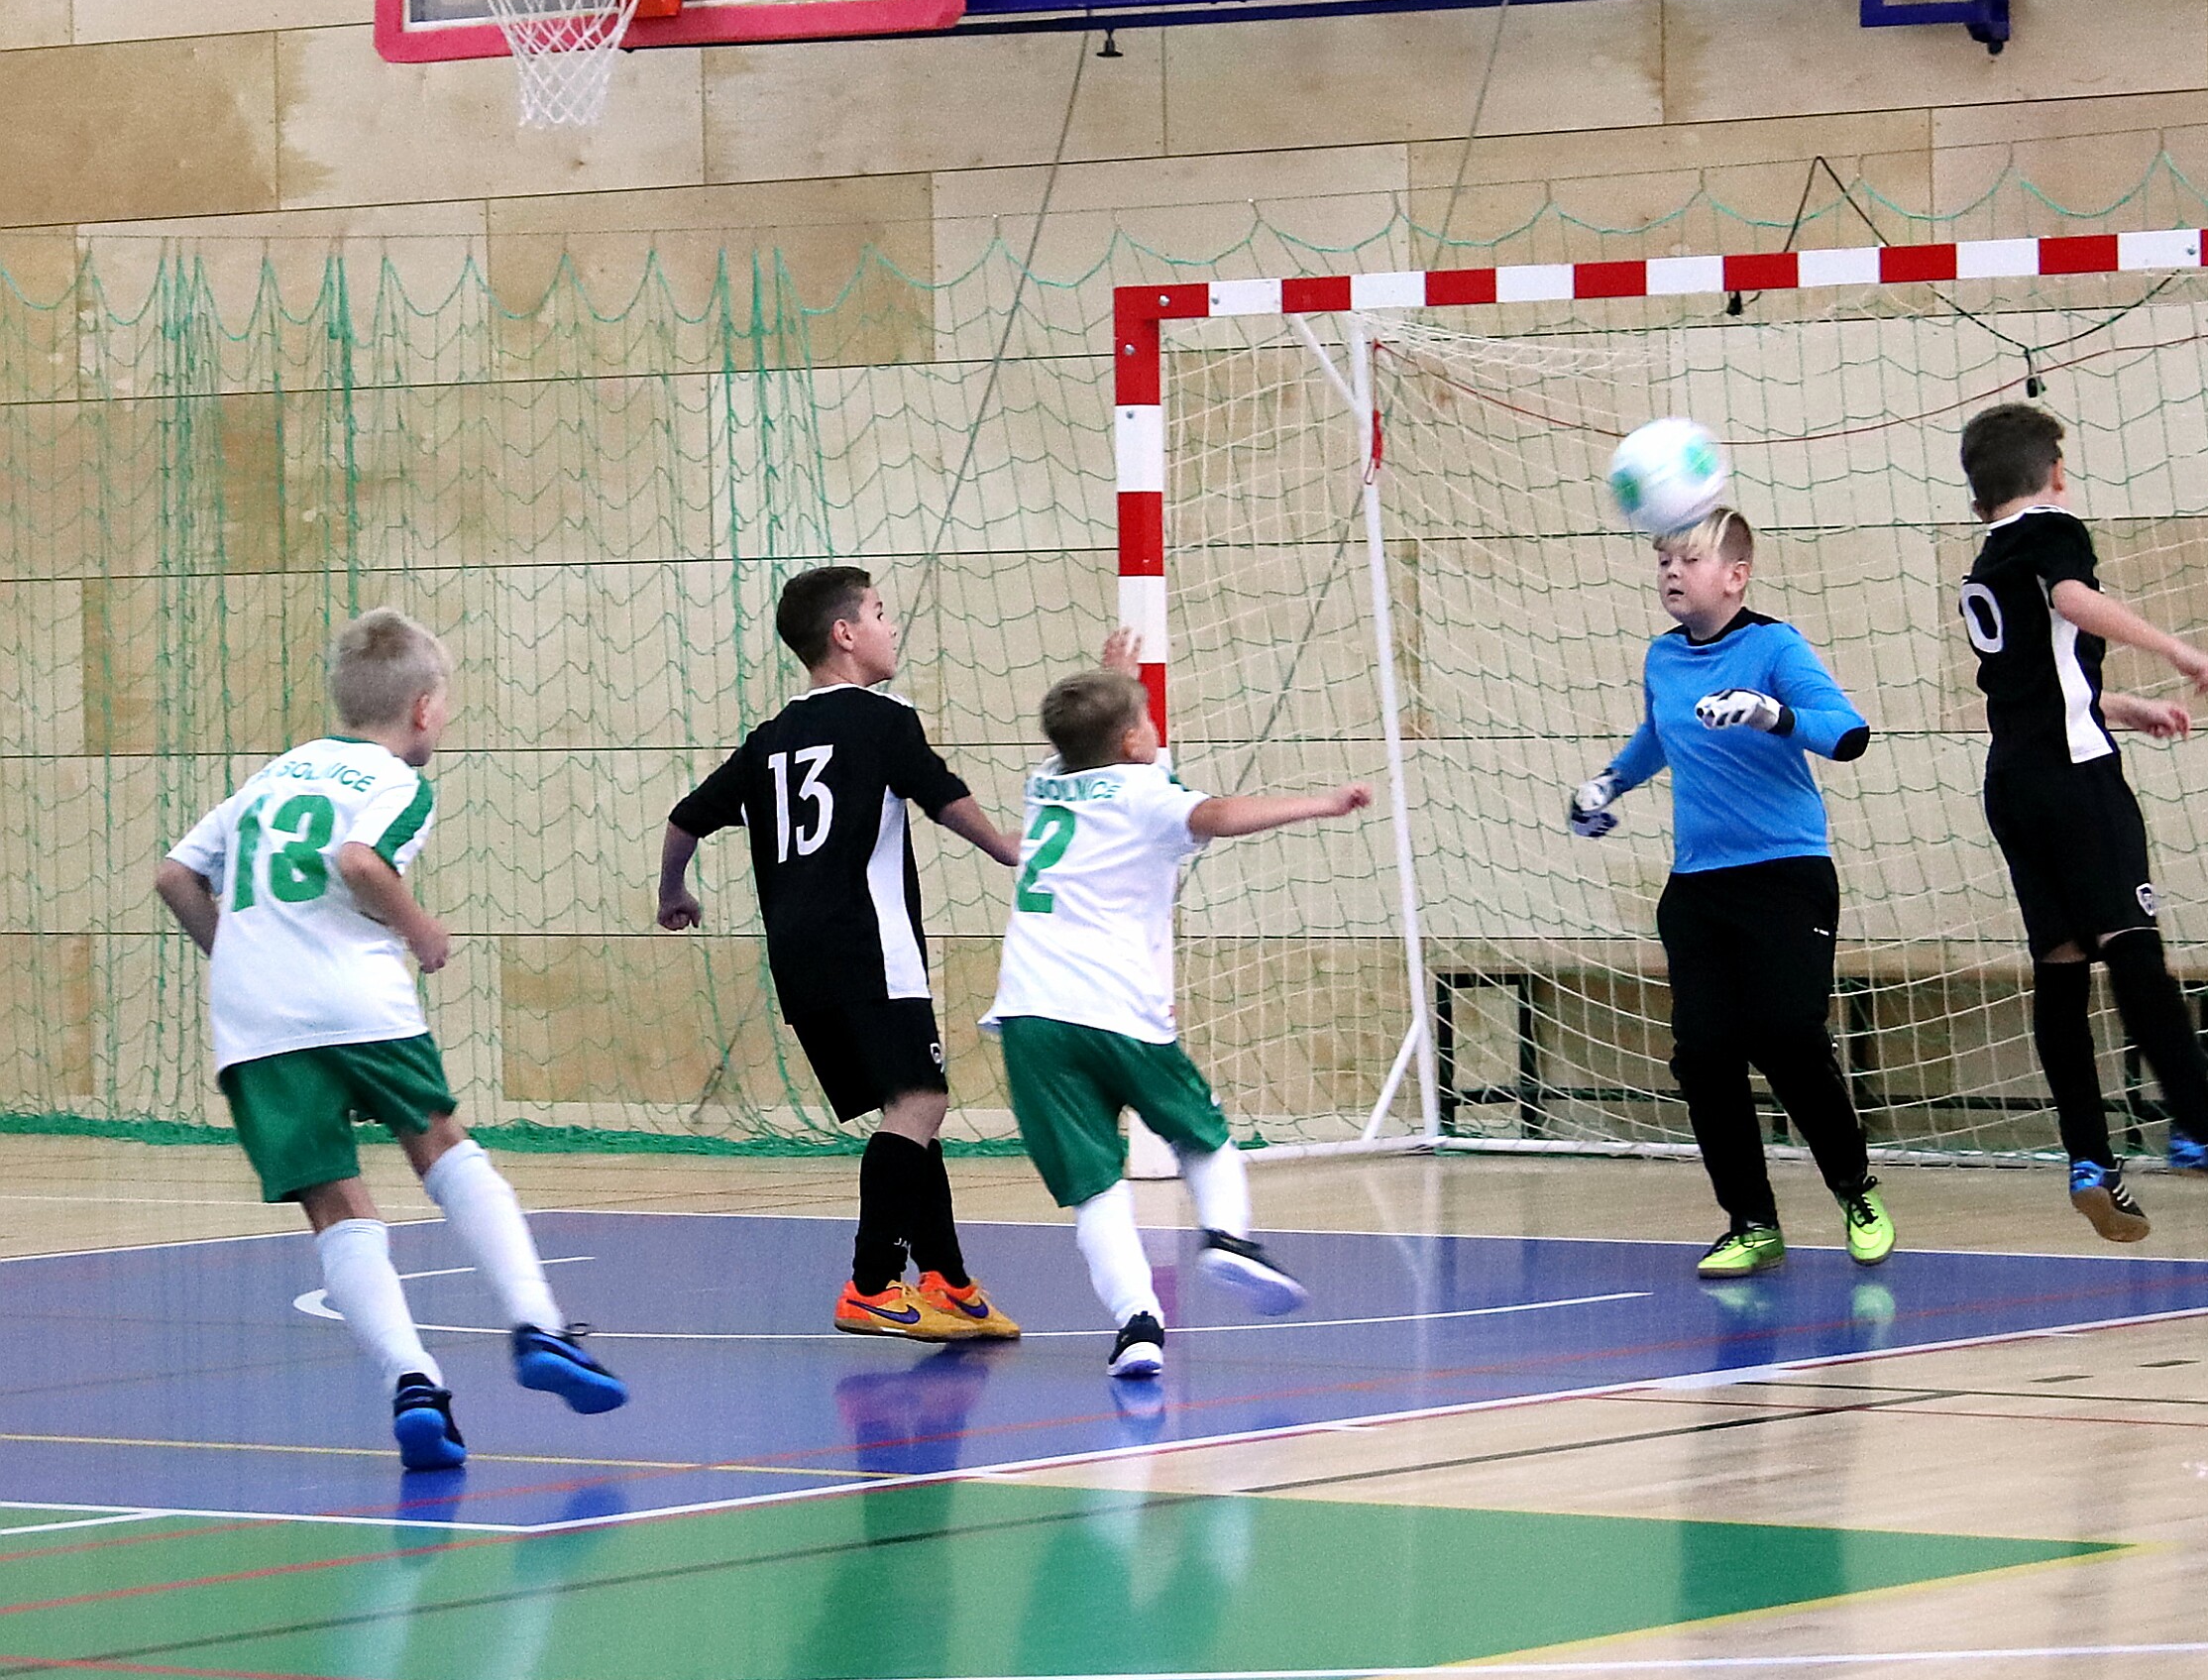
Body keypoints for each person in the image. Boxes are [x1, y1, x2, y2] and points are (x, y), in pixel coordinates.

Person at [156, 609, 625, 1474]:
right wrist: (421, 930)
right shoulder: (396, 782)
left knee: (334, 1204)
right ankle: (538, 1325)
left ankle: (413, 1383)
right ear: (422, 708)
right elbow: (361, 862)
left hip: (255, 1023)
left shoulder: (272, 776)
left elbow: (174, 875)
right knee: (442, 1146)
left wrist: (242, 956)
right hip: (355, 996)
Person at [984, 634, 1370, 1378]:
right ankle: (1226, 1237)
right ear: (1133, 741)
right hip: (1116, 1006)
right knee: (1204, 1137)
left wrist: (1116, 684)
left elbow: (1099, 748)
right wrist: (1322, 803)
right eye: (1147, 721)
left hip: (1031, 1011)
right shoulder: (1146, 798)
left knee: (1095, 1188)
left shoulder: (1047, 785)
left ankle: (1137, 1325)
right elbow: (1216, 812)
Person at [658, 564, 1025, 1340]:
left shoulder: (769, 740)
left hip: (800, 960)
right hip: (870, 945)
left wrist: (672, 891)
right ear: (846, 634)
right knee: (921, 1101)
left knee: (906, 1110)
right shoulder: (884, 720)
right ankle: (870, 1282)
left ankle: (948, 1277)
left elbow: (686, 816)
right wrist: (1004, 846)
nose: (892, 626)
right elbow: (940, 793)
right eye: (880, 612)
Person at [1953, 404, 2208, 1242]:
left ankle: (2089, 1159)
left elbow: (2040, 683)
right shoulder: (2053, 529)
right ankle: (2200, 1125)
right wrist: (2174, 649)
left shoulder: (1986, 562)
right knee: (2133, 948)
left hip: (2014, 783)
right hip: (2077, 783)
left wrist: (2124, 706)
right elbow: (2074, 598)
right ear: (2054, 473)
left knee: (2063, 966)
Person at [1571, 506, 1889, 1279]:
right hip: (1698, 886)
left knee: (1786, 1035)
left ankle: (1855, 1188)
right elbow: (1660, 733)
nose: (1671, 572)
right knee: (1704, 1053)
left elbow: (1847, 732)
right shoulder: (1662, 657)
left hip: (1785, 875)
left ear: (1736, 576)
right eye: (1663, 561)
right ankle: (1752, 1221)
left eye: (1689, 559)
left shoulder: (1774, 646)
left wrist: (1770, 713)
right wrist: (1609, 782)